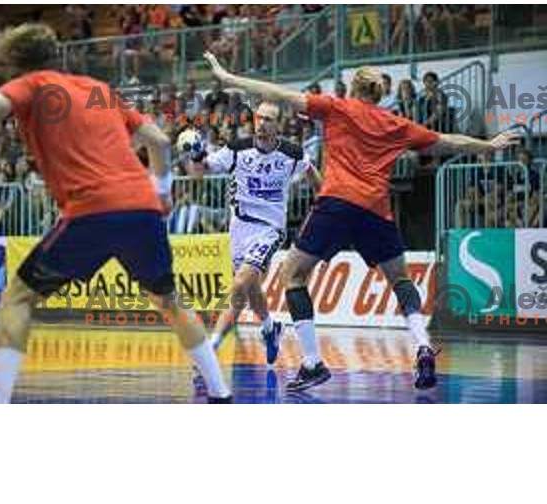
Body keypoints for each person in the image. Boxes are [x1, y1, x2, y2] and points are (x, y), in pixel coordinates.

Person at [0, 23, 232, 404]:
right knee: (170, 301)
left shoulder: (32, 85)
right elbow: (160, 141)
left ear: (15, 63)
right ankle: (221, 395)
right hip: (142, 209)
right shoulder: (98, 90)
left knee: (17, 297)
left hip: (92, 210)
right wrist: (161, 192)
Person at [203, 51, 521, 392]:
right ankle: (423, 345)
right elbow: (447, 142)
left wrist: (229, 78)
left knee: (292, 275)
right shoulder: (396, 123)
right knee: (400, 279)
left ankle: (311, 362)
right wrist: (489, 145)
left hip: (337, 202)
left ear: (354, 88)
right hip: (376, 209)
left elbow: (279, 93)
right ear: (379, 94)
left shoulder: (336, 107)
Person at [188, 101, 321, 364]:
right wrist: (194, 152)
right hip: (239, 228)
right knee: (251, 288)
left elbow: (315, 179)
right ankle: (271, 327)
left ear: (278, 125)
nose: (261, 123)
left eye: (268, 119)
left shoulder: (292, 154)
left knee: (239, 283)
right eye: (259, 118)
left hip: (269, 229)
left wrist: (327, 209)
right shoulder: (238, 149)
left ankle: (211, 349)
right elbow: (200, 172)